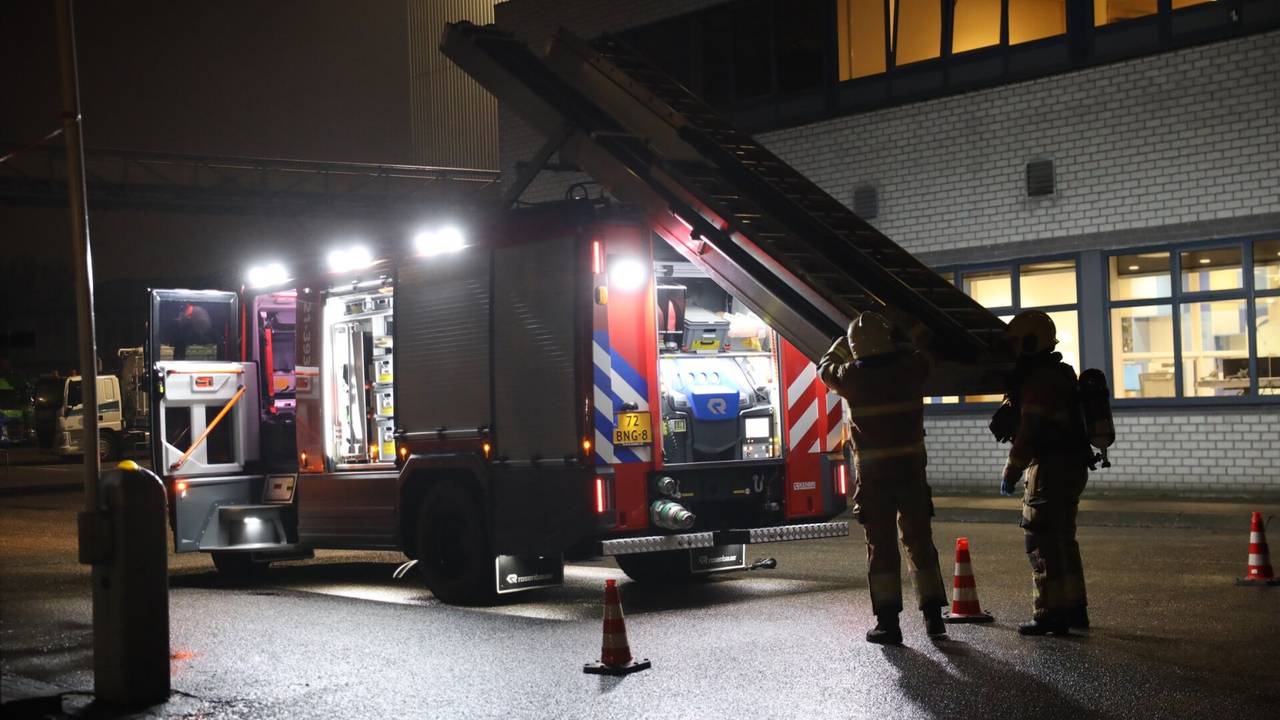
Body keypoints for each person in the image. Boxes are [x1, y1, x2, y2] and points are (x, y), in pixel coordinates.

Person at [820, 312, 948, 645]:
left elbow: (825, 368)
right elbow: (928, 353)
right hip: (911, 474)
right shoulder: (910, 369)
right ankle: (934, 618)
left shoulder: (851, 377)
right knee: (920, 541)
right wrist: (911, 331)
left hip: (875, 480)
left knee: (882, 550)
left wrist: (841, 348)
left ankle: (889, 624)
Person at [998, 310, 1091, 636]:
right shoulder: (1059, 374)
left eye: (1015, 344)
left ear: (1029, 342)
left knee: (1039, 540)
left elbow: (1030, 432)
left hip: (1050, 468)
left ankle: (1049, 614)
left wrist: (1011, 469)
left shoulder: (1040, 381)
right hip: (1072, 465)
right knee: (1063, 540)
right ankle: (1074, 607)